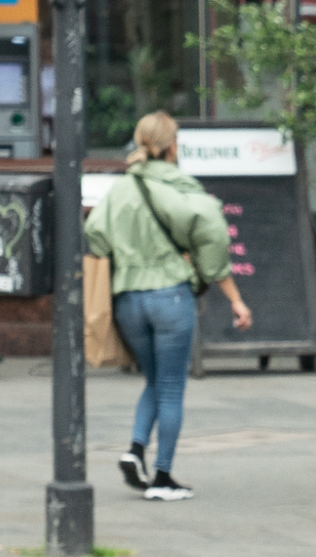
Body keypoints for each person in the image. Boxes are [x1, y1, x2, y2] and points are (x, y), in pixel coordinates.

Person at [83, 111, 251, 500]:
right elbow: (212, 235)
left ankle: (135, 449)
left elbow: (95, 234)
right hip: (171, 297)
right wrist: (235, 301)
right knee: (172, 387)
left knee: (154, 380)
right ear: (173, 147)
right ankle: (162, 478)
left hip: (127, 300)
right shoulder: (182, 189)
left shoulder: (121, 189)